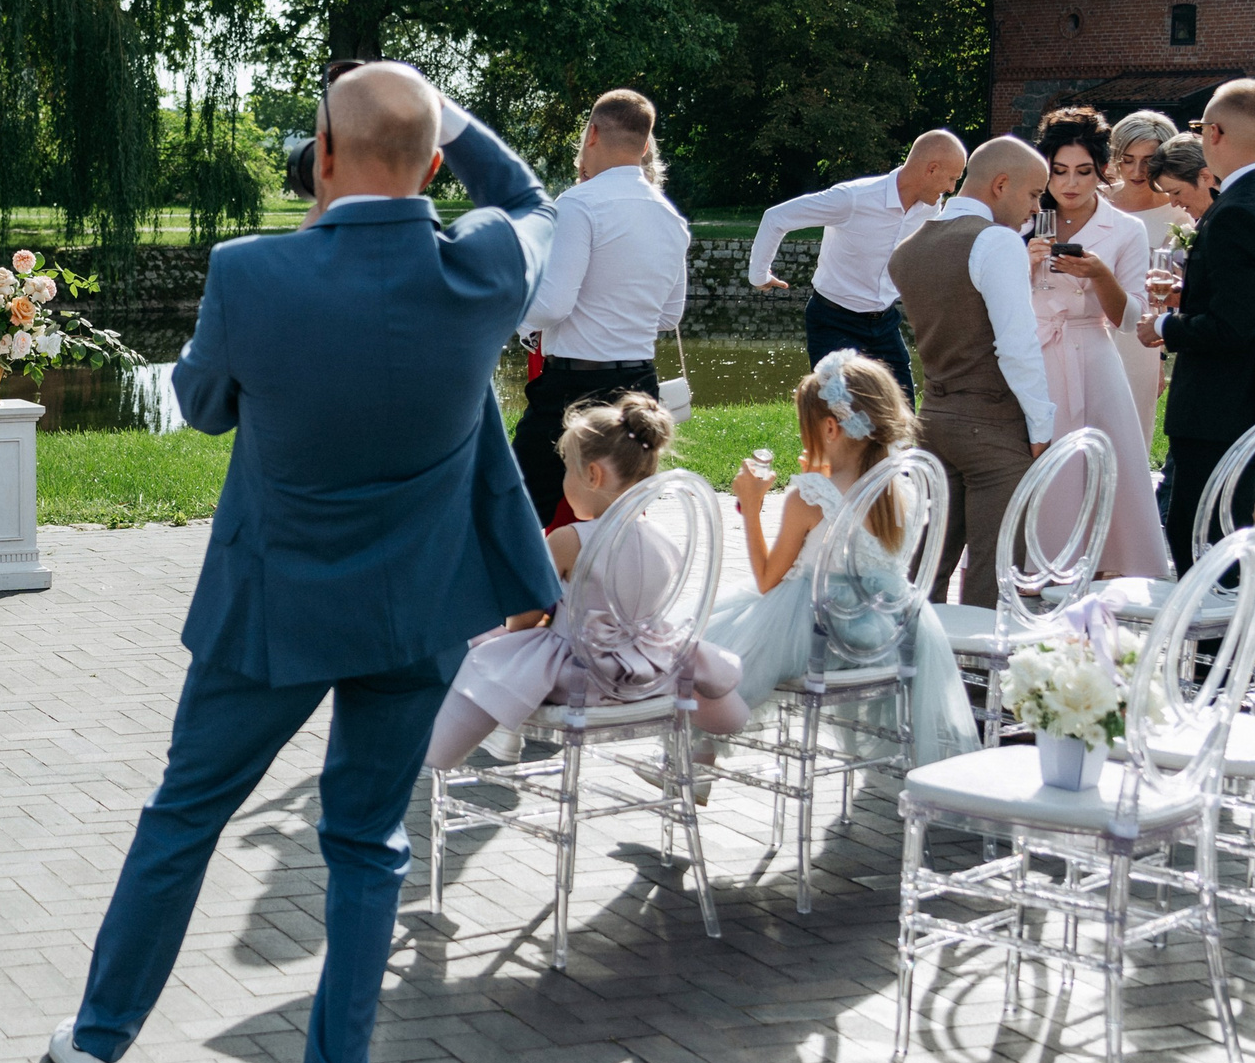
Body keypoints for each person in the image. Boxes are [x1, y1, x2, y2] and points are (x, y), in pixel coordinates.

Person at [44, 62, 557, 1063]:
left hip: (271, 609)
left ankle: (96, 1043)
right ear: (433, 164)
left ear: (320, 156)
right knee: (367, 845)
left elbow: (199, 404)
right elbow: (530, 202)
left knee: (185, 815)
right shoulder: (481, 269)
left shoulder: (250, 272)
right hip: (414, 614)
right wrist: (446, 114)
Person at [427, 393, 747, 773]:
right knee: (687, 655)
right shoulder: (664, 540)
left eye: (568, 470)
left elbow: (526, 615)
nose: (564, 481)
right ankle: (723, 719)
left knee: (487, 653)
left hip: (580, 676)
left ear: (592, 475)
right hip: (646, 673)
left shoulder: (570, 539)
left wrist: (509, 633)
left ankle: (440, 751)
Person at [709, 353, 979, 763]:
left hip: (819, 634)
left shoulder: (808, 498)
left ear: (830, 428)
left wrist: (751, 506)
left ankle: (702, 751)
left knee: (719, 642)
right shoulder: (903, 492)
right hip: (888, 634)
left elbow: (767, 579)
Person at [1139, 79, 1255, 572]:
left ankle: (1214, 625)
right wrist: (1189, 295)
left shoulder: (1236, 211)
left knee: (1197, 538)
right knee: (1231, 534)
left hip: (1218, 406)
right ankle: (1234, 619)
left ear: (1214, 133)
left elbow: (1230, 328)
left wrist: (1164, 325)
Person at [888, 137, 1054, 607]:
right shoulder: (996, 241)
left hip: (933, 421)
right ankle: (977, 660)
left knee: (925, 568)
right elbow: (1017, 347)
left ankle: (912, 652)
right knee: (993, 575)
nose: (1036, 208)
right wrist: (1041, 426)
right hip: (993, 426)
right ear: (1001, 184)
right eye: (1033, 194)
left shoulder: (908, 248)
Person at [510, 90, 689, 524]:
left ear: (591, 134)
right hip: (639, 386)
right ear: (644, 146)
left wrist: (517, 320)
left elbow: (552, 305)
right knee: (620, 516)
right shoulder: (670, 217)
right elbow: (669, 316)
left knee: (518, 505)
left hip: (574, 389)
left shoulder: (578, 203)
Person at [1028, 111, 1168, 577]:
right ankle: (1034, 565)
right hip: (1035, 353)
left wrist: (1101, 275)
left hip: (1094, 354)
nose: (1070, 184)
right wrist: (1023, 262)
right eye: (1059, 171)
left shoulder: (1125, 229)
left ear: (1102, 169)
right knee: (1037, 461)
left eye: (1084, 171)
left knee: (1101, 460)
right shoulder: (1024, 220)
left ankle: (1108, 565)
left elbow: (1129, 320)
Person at [747, 131, 968, 403]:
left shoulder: (930, 209)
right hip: (833, 321)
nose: (951, 188)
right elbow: (776, 218)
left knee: (902, 415)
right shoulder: (853, 199)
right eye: (952, 179)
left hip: (885, 323)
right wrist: (759, 275)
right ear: (931, 169)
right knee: (839, 415)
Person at [1104, 110, 1180, 446]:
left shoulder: (1179, 211)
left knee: (1131, 438)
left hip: (1141, 340)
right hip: (1088, 327)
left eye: (1148, 161)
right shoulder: (1094, 201)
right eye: (1128, 160)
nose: (1136, 171)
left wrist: (1160, 359)